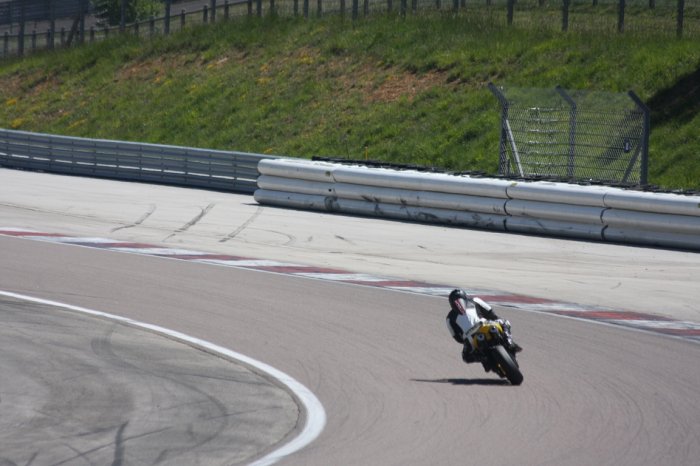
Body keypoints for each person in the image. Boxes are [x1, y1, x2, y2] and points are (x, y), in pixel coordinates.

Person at [445, 288, 522, 364]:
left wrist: (466, 340)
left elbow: (457, 337)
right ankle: (509, 342)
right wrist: (495, 319)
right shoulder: (475, 300)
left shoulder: (449, 318)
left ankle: (484, 358)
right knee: (505, 322)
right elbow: (490, 312)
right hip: (485, 324)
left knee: (465, 357)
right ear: (465, 297)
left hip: (470, 338)